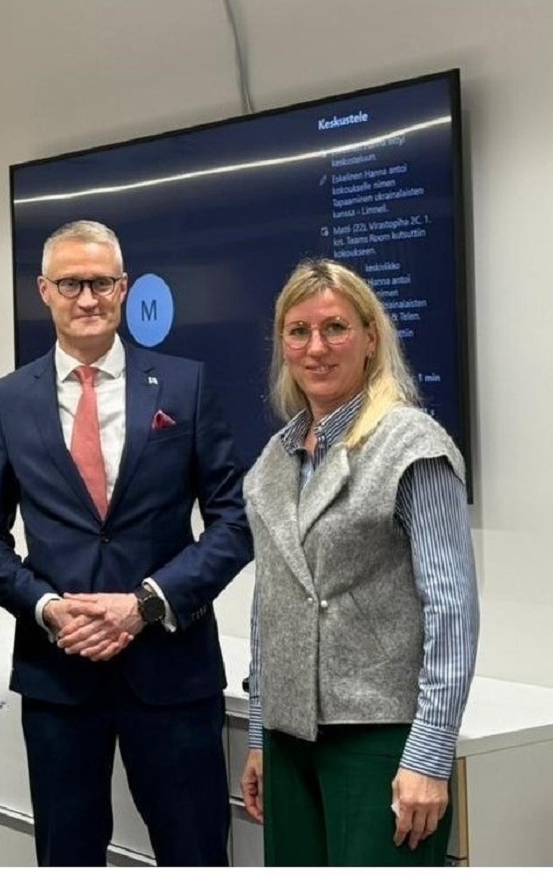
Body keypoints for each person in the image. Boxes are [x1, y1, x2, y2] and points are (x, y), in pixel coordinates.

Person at [0, 220, 253, 866]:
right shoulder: (9, 400)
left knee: (196, 853)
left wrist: (146, 603)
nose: (87, 298)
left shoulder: (185, 385)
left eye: (100, 283)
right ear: (45, 290)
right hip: (59, 675)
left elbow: (234, 522)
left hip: (173, 674)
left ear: (124, 289)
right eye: (71, 284)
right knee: (67, 856)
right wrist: (46, 608)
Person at [240, 259, 479, 867]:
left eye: (335, 328)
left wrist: (430, 753)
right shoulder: (275, 459)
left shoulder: (411, 445)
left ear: (371, 338)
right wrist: (262, 730)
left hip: (382, 740)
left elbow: (451, 608)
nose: (316, 347)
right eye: (298, 331)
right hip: (290, 742)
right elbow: (270, 605)